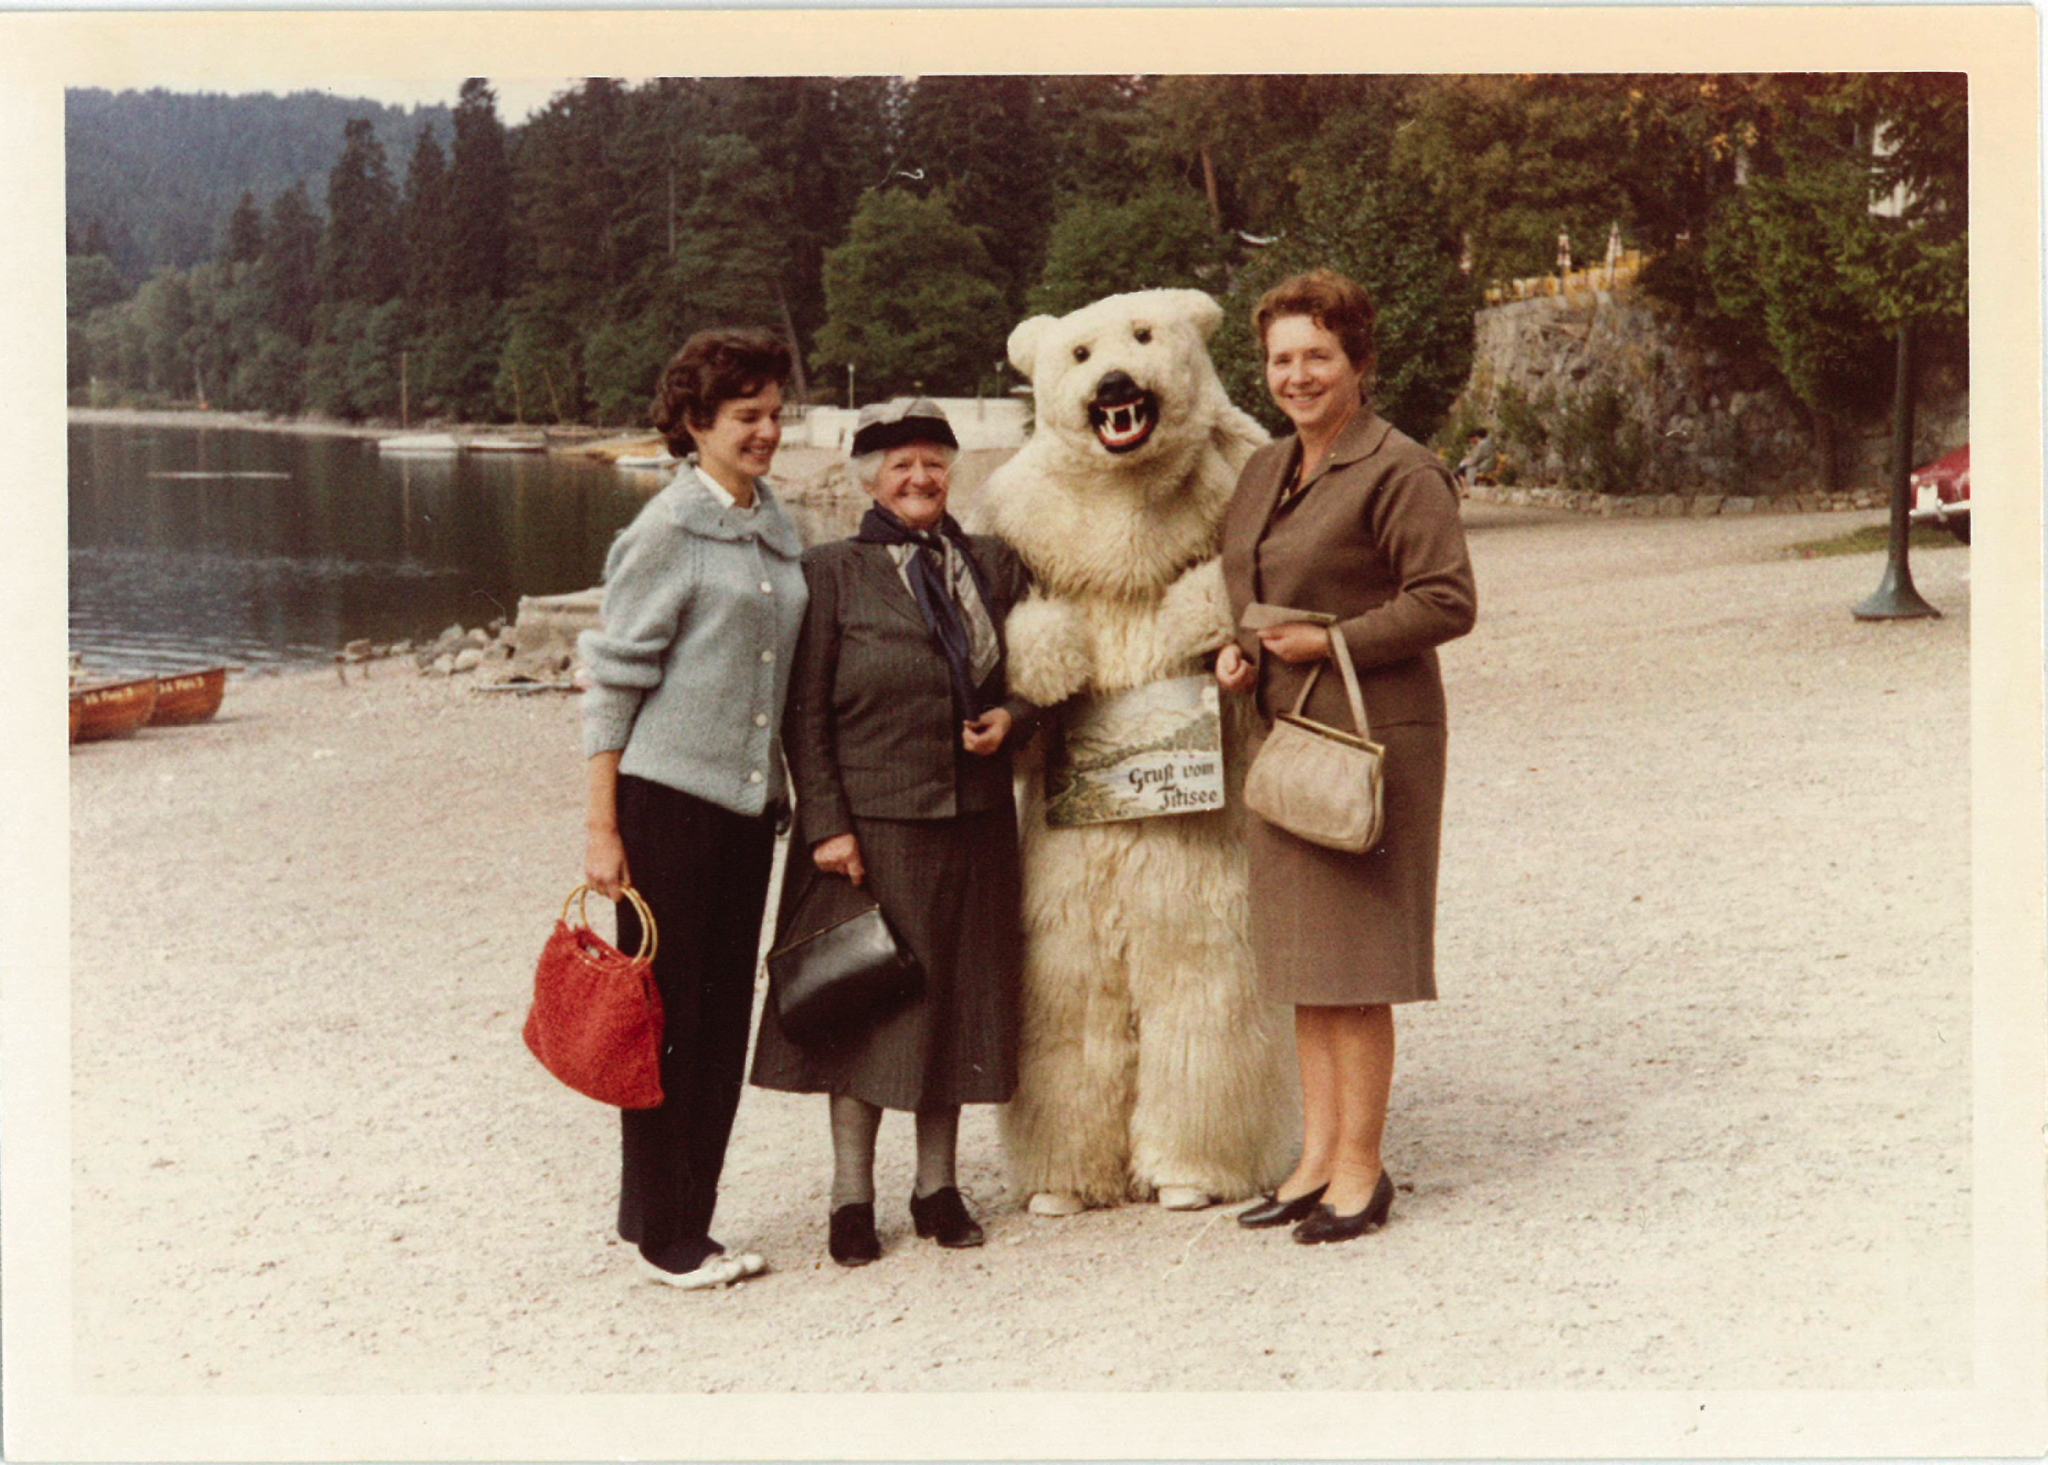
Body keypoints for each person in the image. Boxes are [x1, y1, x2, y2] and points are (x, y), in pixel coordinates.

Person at [1214, 270, 1478, 1244]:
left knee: (1356, 963)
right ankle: (1317, 1157)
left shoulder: (1400, 469)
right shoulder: (1262, 468)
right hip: (1286, 739)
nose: (1297, 375)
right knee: (1306, 960)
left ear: (1358, 360)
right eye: (1281, 358)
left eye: (1317, 355)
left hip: (1369, 743)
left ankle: (1361, 1169)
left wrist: (1331, 641)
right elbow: (1246, 588)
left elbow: (1447, 599)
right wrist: (1236, 650)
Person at [750, 398, 1041, 1267]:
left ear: (953, 472)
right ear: (870, 481)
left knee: (953, 1002)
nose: (920, 478)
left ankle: (937, 1188)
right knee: (866, 1005)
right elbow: (803, 713)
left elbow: (1046, 665)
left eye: (934, 462)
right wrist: (827, 827)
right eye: (901, 465)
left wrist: (1014, 718)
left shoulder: (991, 564)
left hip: (976, 822)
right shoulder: (830, 571)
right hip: (872, 830)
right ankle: (851, 1197)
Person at [578, 328, 808, 1289]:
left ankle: (693, 1221)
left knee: (720, 1020)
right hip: (665, 807)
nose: (768, 431)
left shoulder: (776, 521)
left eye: (775, 414)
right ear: (696, 421)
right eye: (747, 415)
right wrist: (602, 828)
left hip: (748, 814)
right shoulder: (667, 528)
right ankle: (658, 1231)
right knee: (663, 1019)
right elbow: (613, 679)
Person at [1455, 428, 1496, 497]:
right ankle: (1465, 489)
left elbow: (1475, 459)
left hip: (1483, 465)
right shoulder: (1489, 442)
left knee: (1459, 472)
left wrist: (1464, 463)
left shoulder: (1481, 444)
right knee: (1461, 470)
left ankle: (1465, 490)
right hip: (1489, 463)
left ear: (1477, 436)